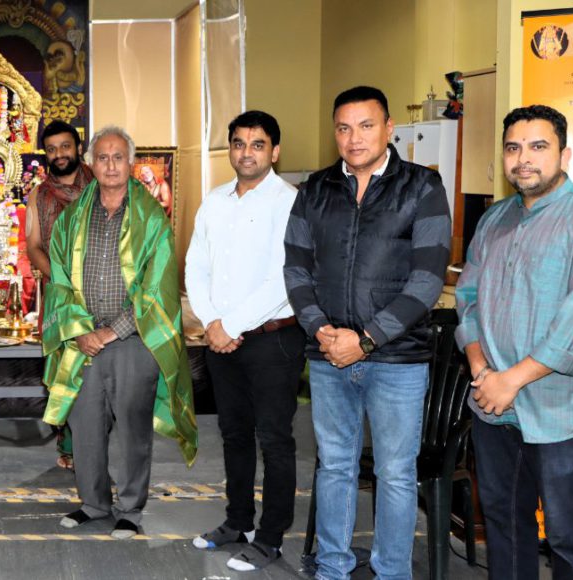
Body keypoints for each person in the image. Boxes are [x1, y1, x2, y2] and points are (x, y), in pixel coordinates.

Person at [283, 86, 451, 579]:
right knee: (335, 466)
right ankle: (332, 568)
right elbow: (296, 270)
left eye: (365, 126)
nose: (353, 138)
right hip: (329, 356)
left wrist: (367, 339)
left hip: (397, 361)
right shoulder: (314, 190)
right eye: (343, 128)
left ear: (389, 128)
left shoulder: (422, 187)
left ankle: (392, 573)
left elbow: (426, 281)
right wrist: (322, 330)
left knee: (395, 473)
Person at [455, 104, 573, 578]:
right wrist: (481, 370)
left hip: (562, 414)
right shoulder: (494, 219)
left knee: (571, 538)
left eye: (538, 146)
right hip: (493, 408)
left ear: (565, 155)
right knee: (504, 527)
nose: (524, 159)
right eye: (513, 148)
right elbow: (467, 299)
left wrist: (512, 380)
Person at [42, 125, 197, 540]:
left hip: (133, 340)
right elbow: (59, 281)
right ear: (90, 164)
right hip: (83, 340)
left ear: (130, 163)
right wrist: (79, 330)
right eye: (102, 158)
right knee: (85, 427)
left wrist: (112, 331)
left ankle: (130, 508)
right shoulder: (71, 219)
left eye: (118, 157)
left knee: (132, 428)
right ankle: (93, 504)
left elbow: (157, 287)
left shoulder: (152, 220)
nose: (110, 165)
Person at [186, 111, 305, 571]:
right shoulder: (215, 201)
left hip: (273, 340)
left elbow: (284, 278)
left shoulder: (289, 202)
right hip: (222, 341)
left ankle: (270, 537)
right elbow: (196, 266)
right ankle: (238, 522)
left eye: (258, 144)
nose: (247, 152)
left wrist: (229, 326)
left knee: (274, 439)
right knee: (234, 434)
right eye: (239, 143)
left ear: (275, 152)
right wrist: (212, 322)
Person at [25, 120, 94, 471]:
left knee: (96, 370)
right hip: (60, 293)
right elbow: (34, 246)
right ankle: (69, 444)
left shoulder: (100, 184)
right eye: (51, 149)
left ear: (78, 148)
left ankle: (95, 443)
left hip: (99, 290)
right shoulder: (39, 195)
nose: (59, 155)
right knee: (63, 369)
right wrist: (62, 280)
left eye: (65, 146)